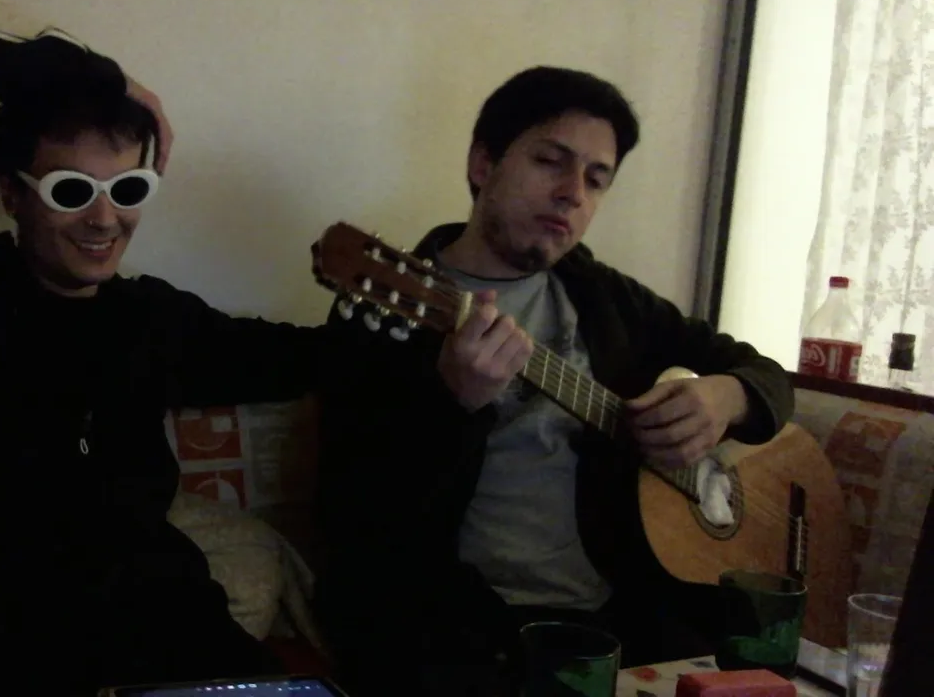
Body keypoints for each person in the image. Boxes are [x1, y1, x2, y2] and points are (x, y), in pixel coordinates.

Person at [0, 25, 325, 694]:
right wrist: (98, 76)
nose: (105, 220)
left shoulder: (152, 320)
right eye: (72, 191)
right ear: (13, 194)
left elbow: (299, 357)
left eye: (127, 190)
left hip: (148, 619)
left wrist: (434, 340)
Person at [311, 66, 795, 697]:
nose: (572, 194)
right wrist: (453, 404)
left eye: (596, 179)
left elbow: (767, 376)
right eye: (549, 162)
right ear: (483, 164)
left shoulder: (604, 298)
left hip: (628, 610)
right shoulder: (390, 307)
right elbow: (360, 525)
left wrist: (725, 396)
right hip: (466, 630)